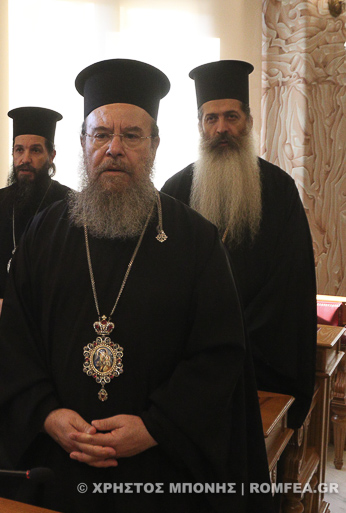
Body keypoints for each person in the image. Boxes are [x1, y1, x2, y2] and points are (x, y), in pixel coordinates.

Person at [0, 59, 271, 512]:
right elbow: (18, 342)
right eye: (100, 134)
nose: (113, 148)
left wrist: (156, 427)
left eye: (132, 135)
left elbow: (218, 355)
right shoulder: (44, 234)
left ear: (154, 145)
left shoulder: (196, 240)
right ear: (82, 143)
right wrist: (47, 413)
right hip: (59, 468)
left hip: (158, 475)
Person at [161, 60, 316, 429]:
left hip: (259, 367)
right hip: (188, 364)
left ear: (248, 121)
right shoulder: (174, 193)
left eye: (231, 117)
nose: (221, 128)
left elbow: (289, 287)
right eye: (211, 119)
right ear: (200, 126)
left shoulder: (278, 191)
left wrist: (232, 342)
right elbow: (161, 284)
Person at [0, 107, 71, 352]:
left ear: (51, 155)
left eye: (36, 150)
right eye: (19, 150)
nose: (25, 159)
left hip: (49, 331)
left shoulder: (70, 205)